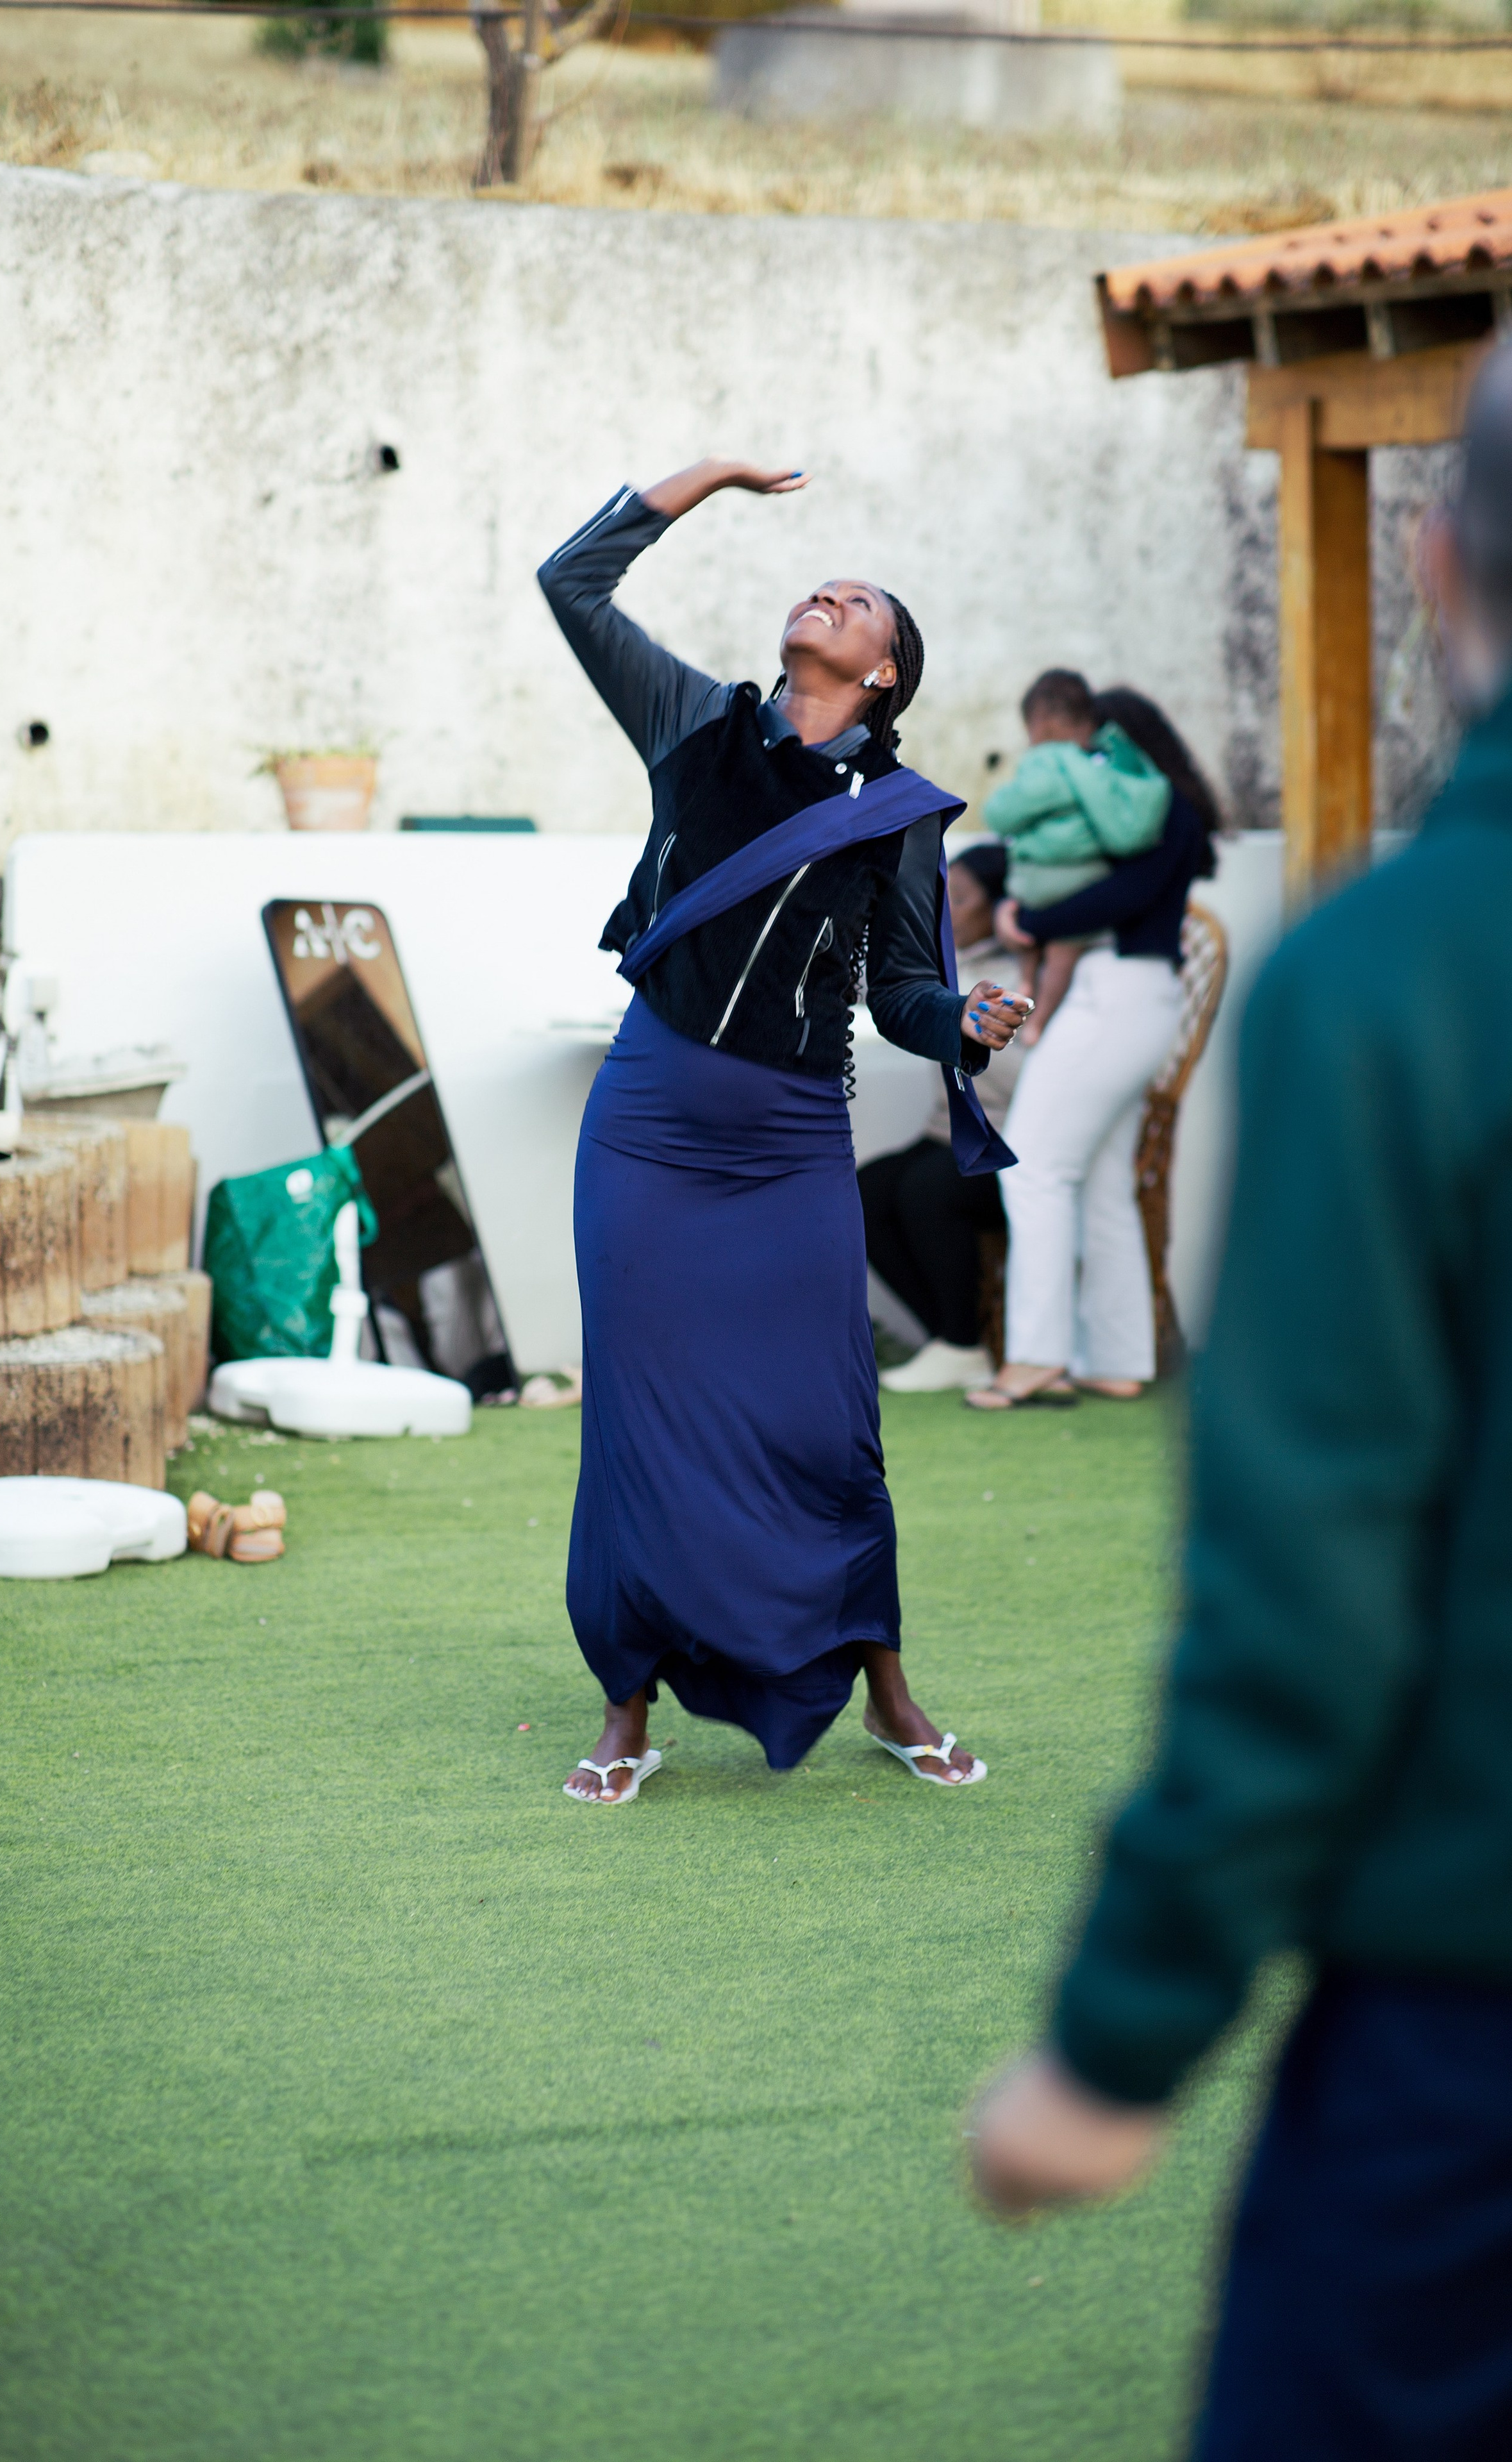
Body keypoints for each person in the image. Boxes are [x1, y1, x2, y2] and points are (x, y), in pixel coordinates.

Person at [971, 308, 1512, 2462]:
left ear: (1436, 564)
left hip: (1508, 2046)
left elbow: (1309, 1600)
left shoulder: (1405, 973)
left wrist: (1119, 2039)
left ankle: (1051, 1362)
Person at [538, 458, 1029, 1805]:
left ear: (883, 674)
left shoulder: (901, 816)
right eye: (823, 585)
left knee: (827, 1426)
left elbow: (901, 996)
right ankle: (625, 1709)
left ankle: (884, 1690)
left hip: (786, 1149)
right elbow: (568, 583)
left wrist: (966, 1025)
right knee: (637, 1421)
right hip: (646, 1129)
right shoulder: (698, 727)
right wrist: (710, 479)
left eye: (858, 601)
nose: (828, 592)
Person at [966, 689, 1219, 1411]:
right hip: (1129, 997)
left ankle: (1036, 1358)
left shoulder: (1158, 804)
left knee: (1032, 1166)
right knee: (1102, 1180)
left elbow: (1123, 899)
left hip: (1117, 996)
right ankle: (1116, 1358)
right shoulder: (1161, 804)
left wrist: (1028, 917)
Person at [858, 846, 1026, 1393]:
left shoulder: (1019, 974)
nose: (945, 912)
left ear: (1002, 909)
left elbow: (1010, 1079)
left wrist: (950, 1005)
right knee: (867, 1189)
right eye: (942, 897)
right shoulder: (940, 963)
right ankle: (950, 1340)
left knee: (928, 1191)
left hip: (1012, 1143)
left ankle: (961, 1343)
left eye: (961, 899)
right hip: (946, 1134)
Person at [984, 669, 1172, 1043]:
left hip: (1036, 882)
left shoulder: (1045, 763)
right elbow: (1116, 830)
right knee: (1062, 958)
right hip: (1079, 879)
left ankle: (1026, 988)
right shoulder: (1099, 770)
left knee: (1038, 952)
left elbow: (1005, 814)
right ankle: (1038, 1021)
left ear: (1042, 723)